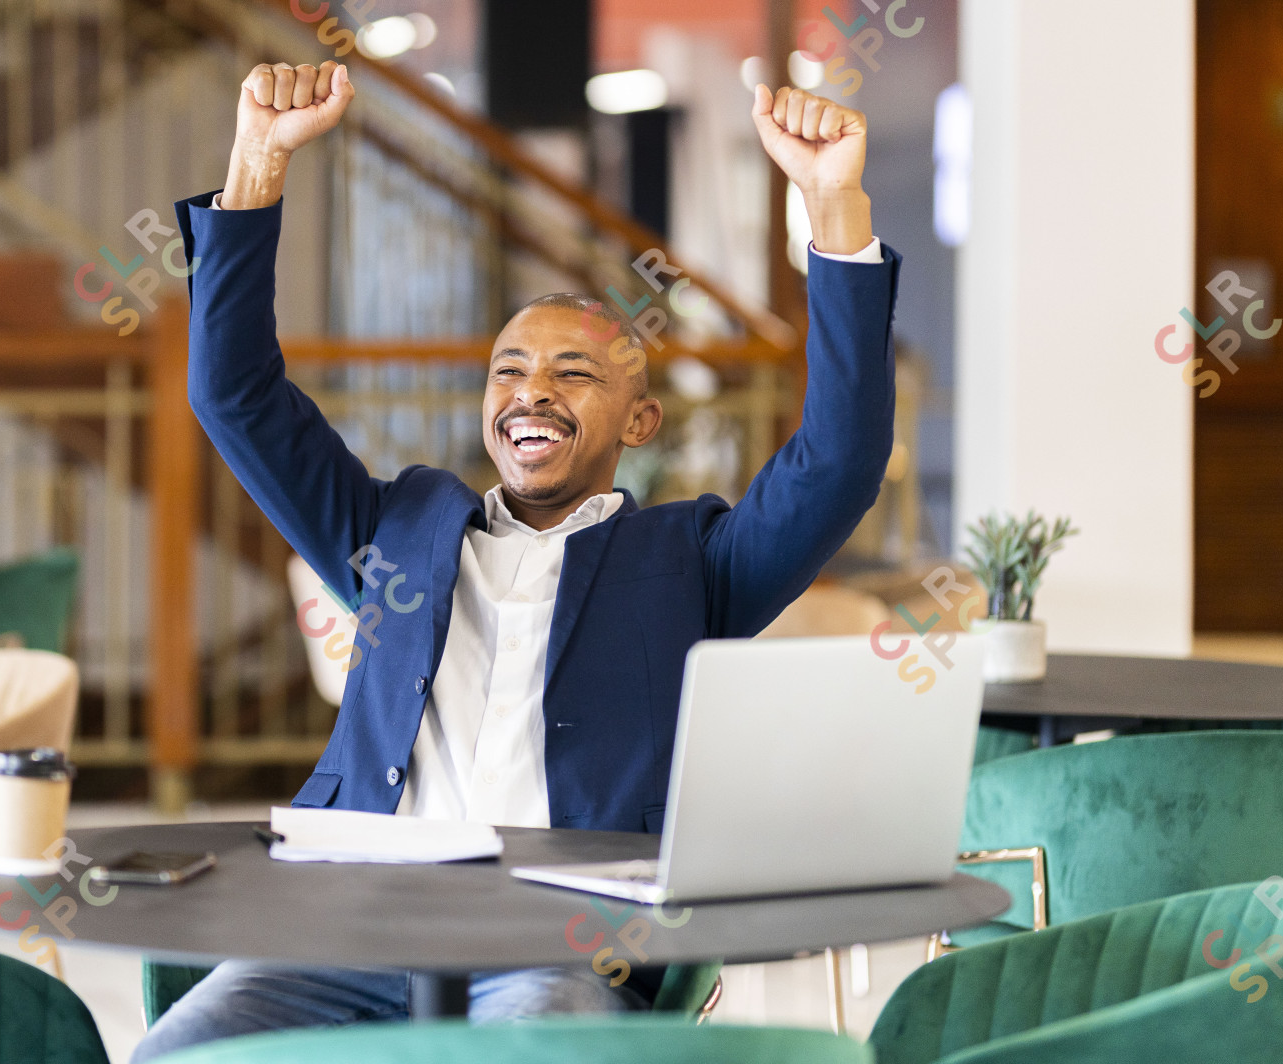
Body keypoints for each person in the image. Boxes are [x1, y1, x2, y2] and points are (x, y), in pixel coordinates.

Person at [133, 60, 899, 1059]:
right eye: (510, 371)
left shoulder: (690, 563)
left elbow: (839, 457)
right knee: (174, 1052)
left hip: (559, 940)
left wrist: (831, 207)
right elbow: (233, 394)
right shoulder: (393, 531)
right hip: (347, 921)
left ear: (641, 417)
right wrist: (256, 162)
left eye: (572, 372)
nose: (532, 391)